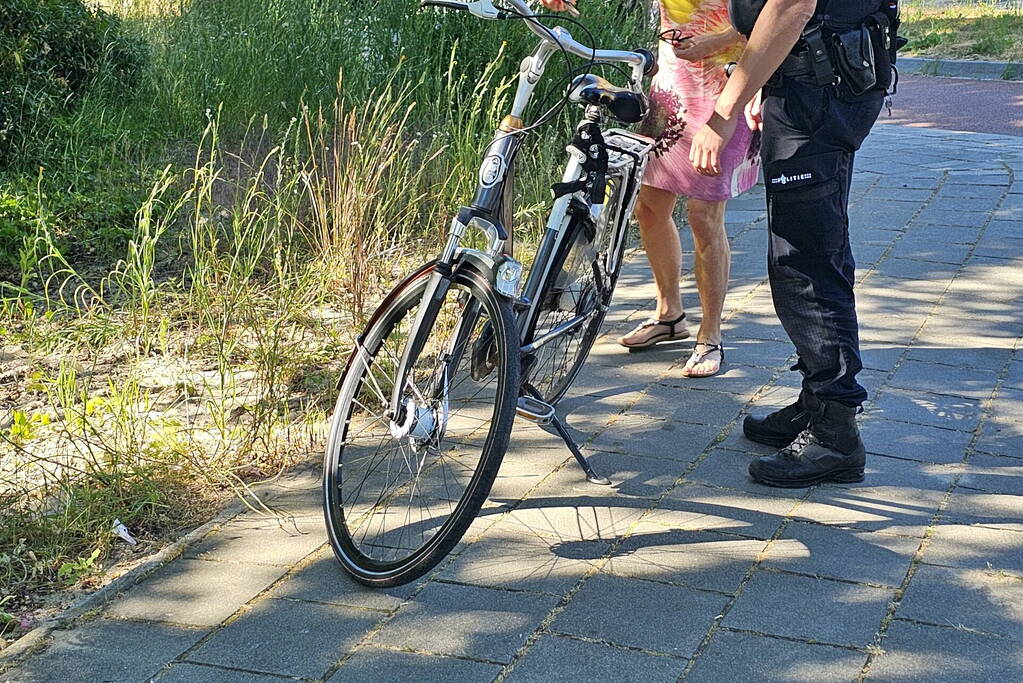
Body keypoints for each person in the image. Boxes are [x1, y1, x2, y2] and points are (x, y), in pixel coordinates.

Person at [688, 0, 889, 487]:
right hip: (815, 83)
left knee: (805, 262)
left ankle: (835, 433)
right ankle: (819, 402)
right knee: (812, 252)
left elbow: (791, 6)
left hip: (818, 94)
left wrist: (723, 113)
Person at [615, 1, 760, 380]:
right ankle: (669, 315)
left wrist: (718, 39)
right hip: (672, 86)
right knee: (648, 207)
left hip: (728, 84)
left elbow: (769, 12)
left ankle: (710, 335)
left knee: (703, 214)